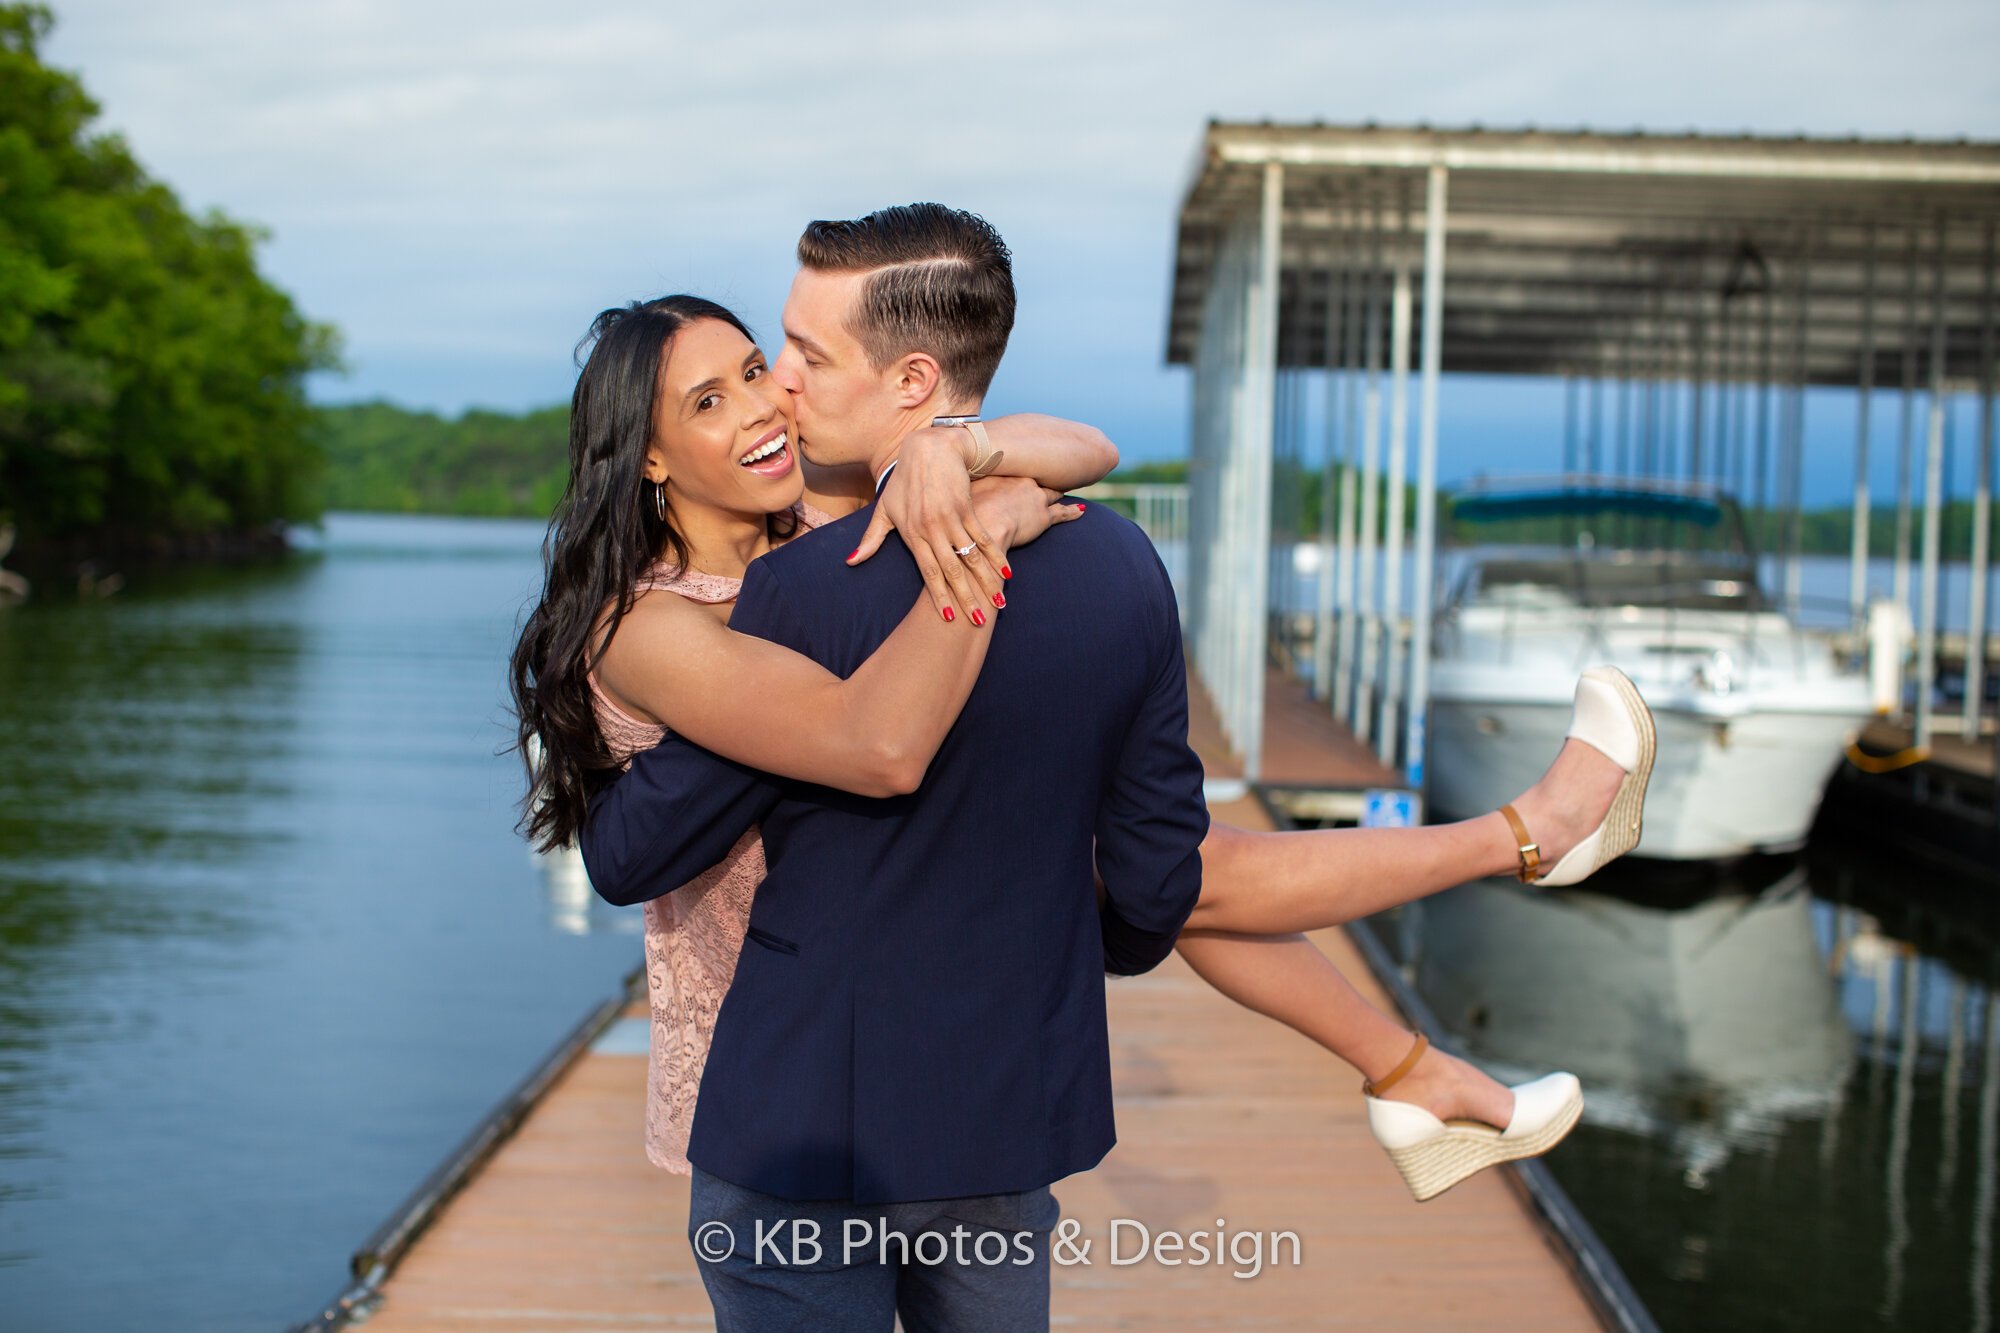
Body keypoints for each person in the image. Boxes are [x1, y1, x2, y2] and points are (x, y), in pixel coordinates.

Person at [514, 205, 1653, 1328]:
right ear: (651, 453)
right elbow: (867, 745)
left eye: (768, 364)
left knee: (1154, 867)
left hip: (897, 977)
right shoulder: (666, 620)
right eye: (714, 398)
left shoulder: (811, 526)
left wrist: (975, 459)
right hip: (763, 1023)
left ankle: (1432, 1015)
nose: (772, 399)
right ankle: (1481, 916)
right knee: (1166, 871)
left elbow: (1087, 449)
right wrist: (984, 534)